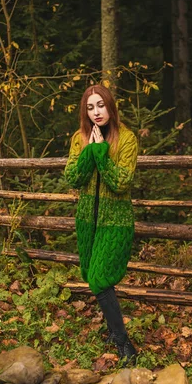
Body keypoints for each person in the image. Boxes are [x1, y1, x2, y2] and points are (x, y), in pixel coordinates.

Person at [64, 84, 138, 364]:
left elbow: (121, 181)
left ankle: (123, 343)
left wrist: (101, 152)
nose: (96, 112)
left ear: (110, 106)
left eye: (101, 105)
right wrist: (89, 150)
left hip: (115, 221)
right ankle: (112, 331)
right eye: (90, 107)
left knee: (99, 278)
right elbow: (73, 177)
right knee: (92, 274)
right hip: (87, 220)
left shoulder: (127, 138)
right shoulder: (79, 137)